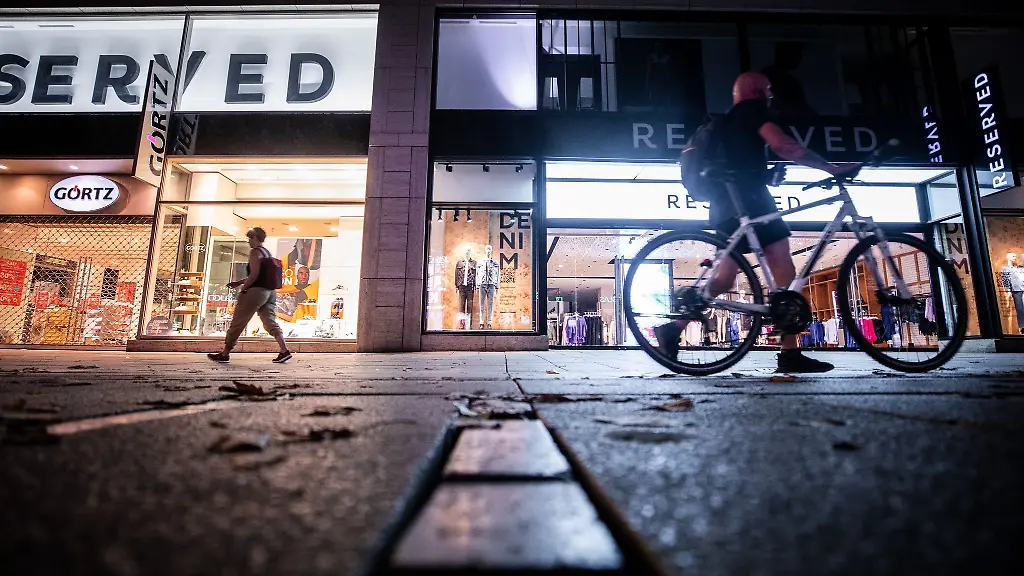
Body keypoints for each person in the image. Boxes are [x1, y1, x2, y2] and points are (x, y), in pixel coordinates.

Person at [656, 71, 859, 373]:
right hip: (751, 200)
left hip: (725, 203)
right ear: (757, 91)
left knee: (725, 278)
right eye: (768, 90)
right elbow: (782, 145)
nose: (771, 96)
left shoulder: (727, 122)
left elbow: (741, 160)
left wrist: (765, 174)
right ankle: (789, 351)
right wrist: (830, 167)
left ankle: (673, 328)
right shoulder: (753, 111)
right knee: (783, 268)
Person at [207, 227, 292, 364]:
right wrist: (238, 282)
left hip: (256, 292)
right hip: (270, 292)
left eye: (250, 238)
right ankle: (284, 350)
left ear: (255, 238)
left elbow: (254, 275)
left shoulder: (254, 252)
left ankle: (225, 353)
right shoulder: (266, 252)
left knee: (238, 322)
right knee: (270, 322)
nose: (248, 242)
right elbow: (260, 275)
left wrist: (243, 289)